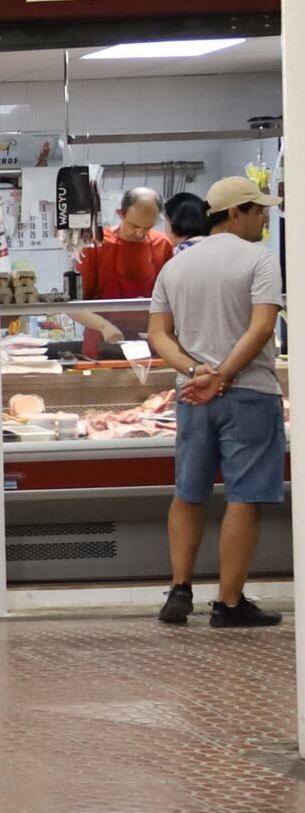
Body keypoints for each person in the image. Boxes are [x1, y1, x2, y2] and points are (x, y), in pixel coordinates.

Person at [147, 176, 286, 629]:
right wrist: (224, 373)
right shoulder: (260, 259)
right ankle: (228, 603)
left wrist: (195, 372)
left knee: (189, 492)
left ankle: (179, 590)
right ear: (234, 213)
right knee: (244, 497)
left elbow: (158, 335)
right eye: (258, 209)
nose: (265, 217)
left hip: (194, 394)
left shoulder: (175, 265)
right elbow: (263, 327)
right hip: (249, 391)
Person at [74, 188, 171, 354]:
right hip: (103, 343)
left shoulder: (163, 245)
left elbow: (171, 301)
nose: (140, 233)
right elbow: (73, 305)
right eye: (133, 225)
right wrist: (103, 325)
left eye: (147, 227)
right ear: (121, 214)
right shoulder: (96, 244)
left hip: (151, 345)